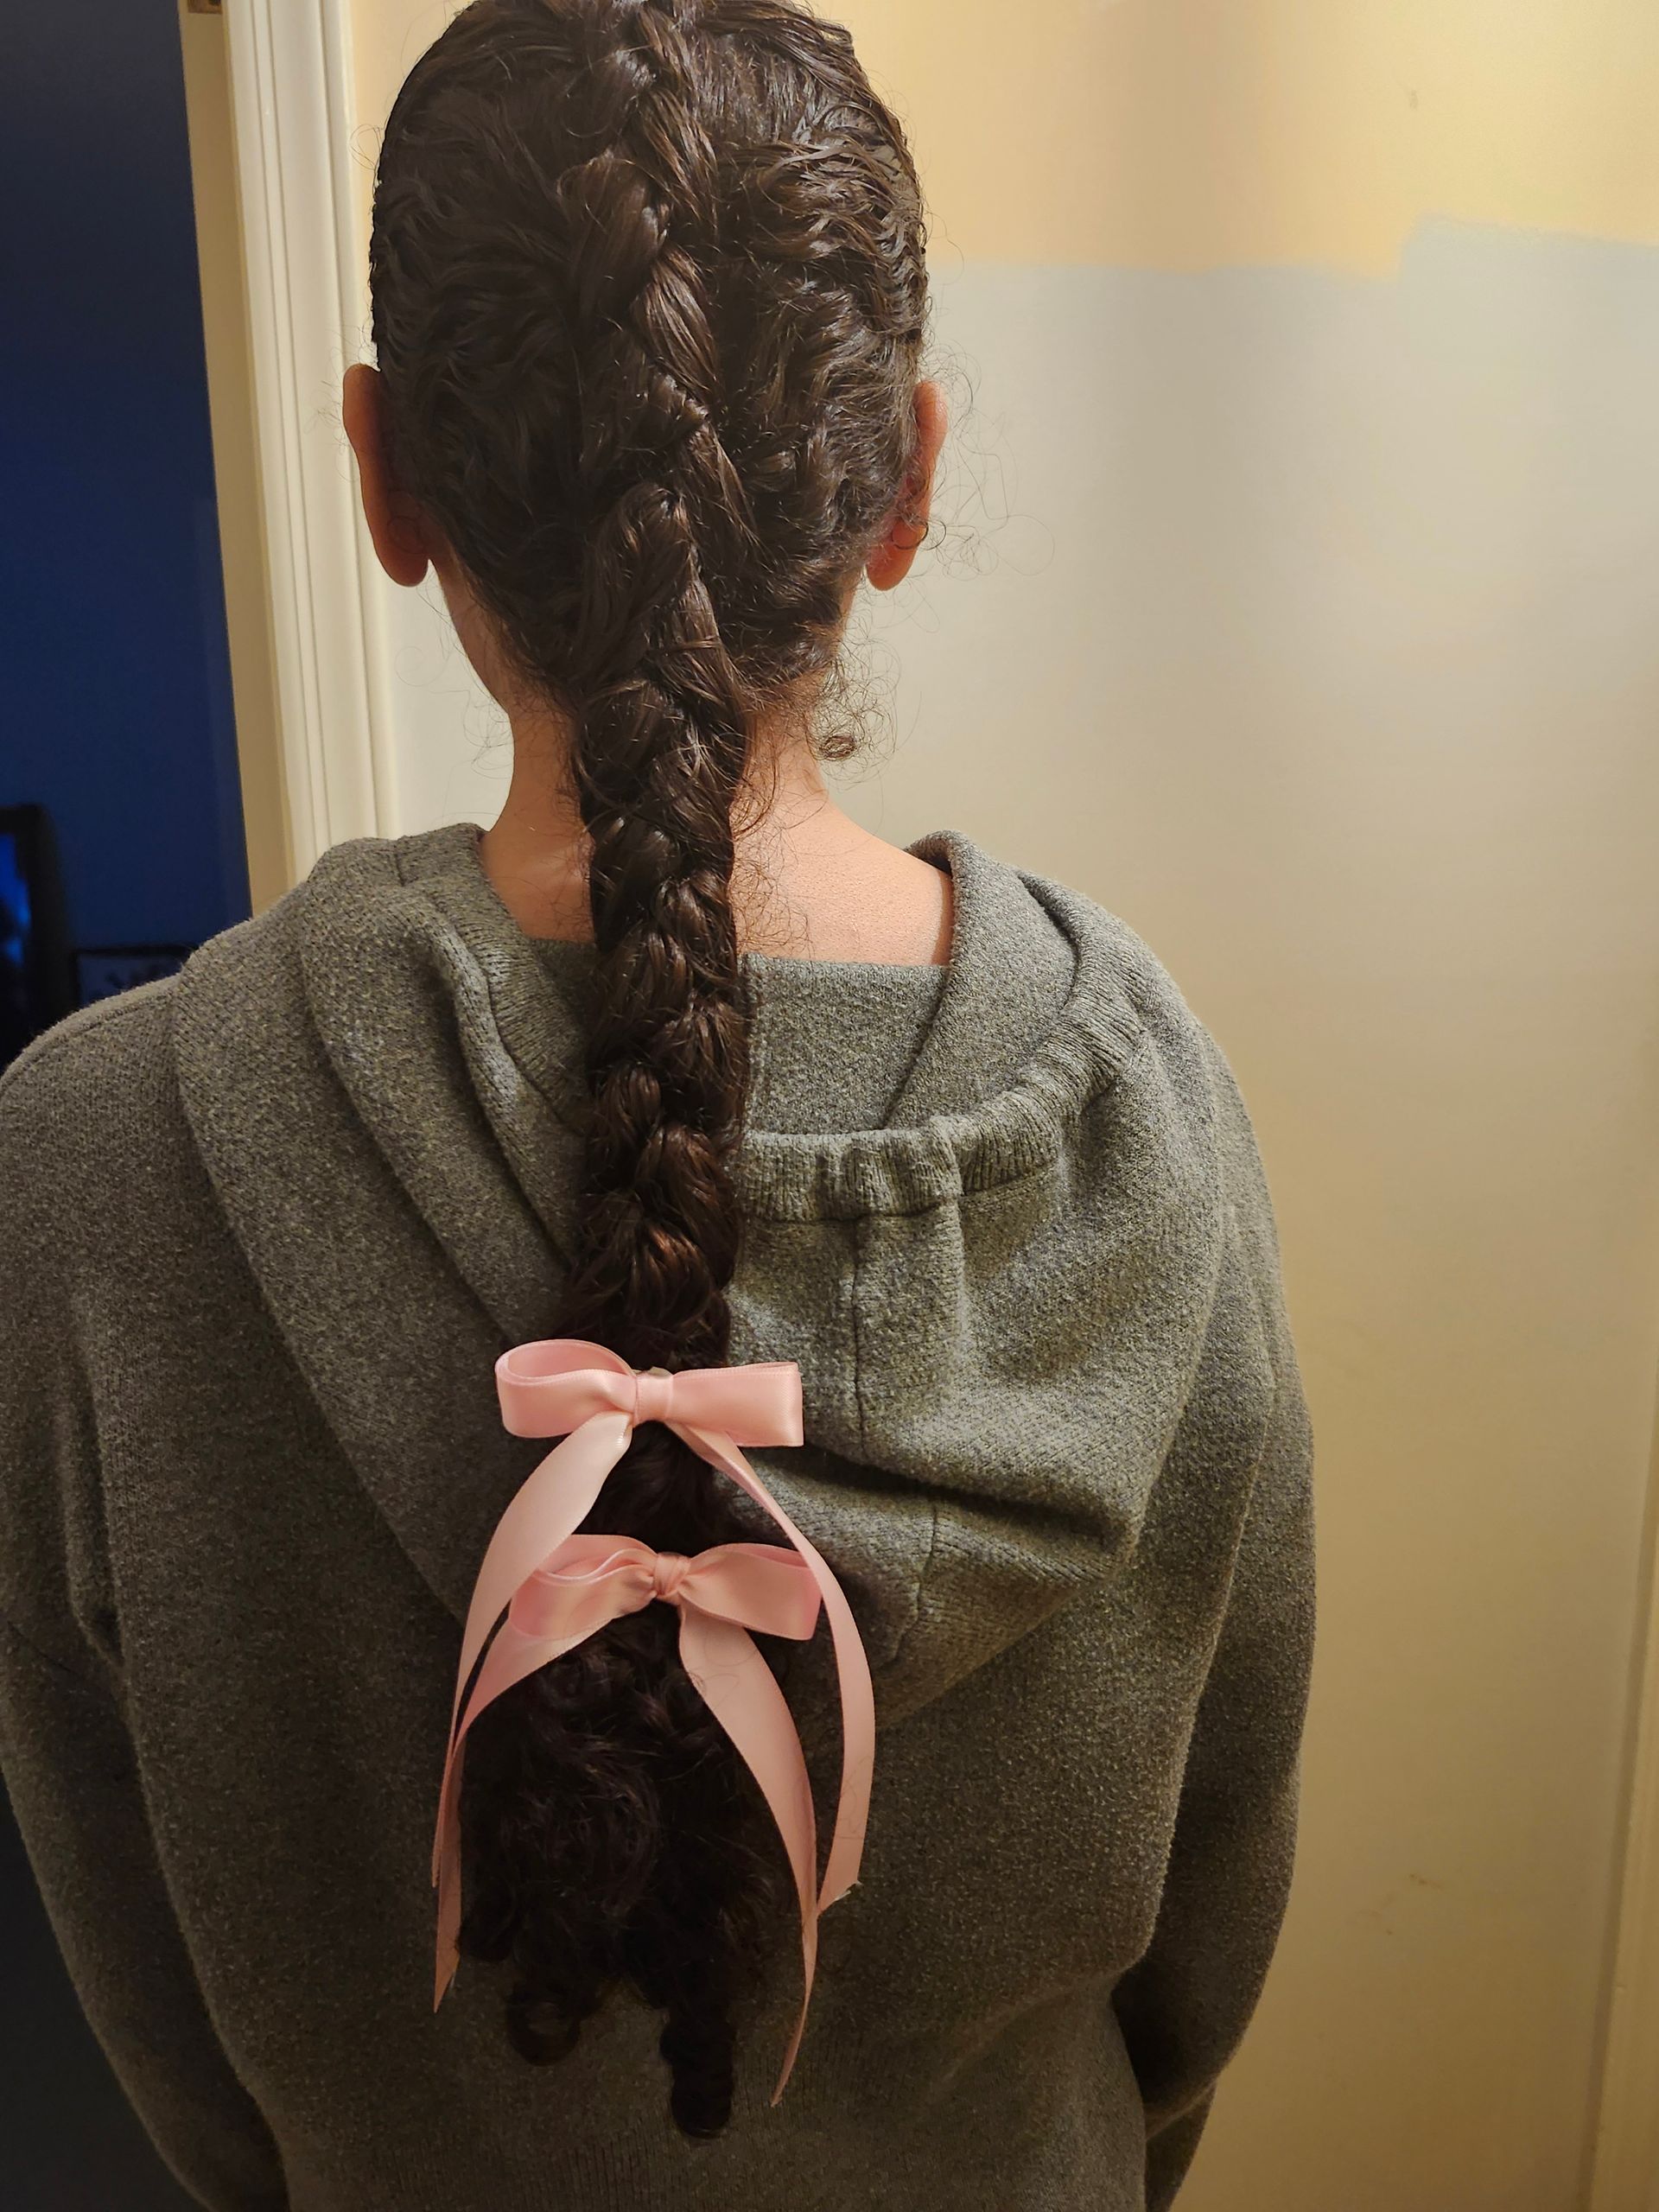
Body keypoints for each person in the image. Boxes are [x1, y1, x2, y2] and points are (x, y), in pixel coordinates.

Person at [0, 3, 1316, 2207]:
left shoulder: (90, 1170)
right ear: (905, 476)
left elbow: (148, 1981)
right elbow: (1211, 1926)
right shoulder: (1150, 1112)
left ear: (384, 473)